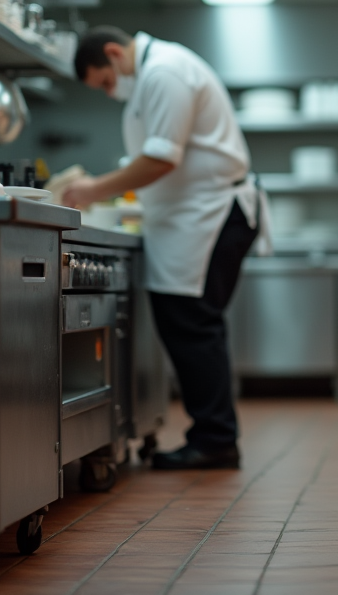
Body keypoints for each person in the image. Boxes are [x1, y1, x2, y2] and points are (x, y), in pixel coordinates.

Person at [64, 27, 271, 470]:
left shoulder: (165, 72)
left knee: (194, 326)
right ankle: (213, 435)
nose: (108, 91)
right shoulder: (154, 75)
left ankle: (215, 439)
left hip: (211, 213)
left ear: (114, 54)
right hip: (191, 216)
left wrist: (93, 190)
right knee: (190, 325)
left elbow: (161, 158)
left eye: (104, 81)